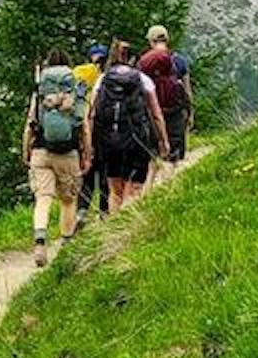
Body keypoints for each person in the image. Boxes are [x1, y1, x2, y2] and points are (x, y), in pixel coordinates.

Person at [22, 50, 91, 265]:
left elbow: (30, 124)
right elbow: (84, 126)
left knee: (43, 198)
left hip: (41, 151)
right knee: (68, 200)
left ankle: (40, 241)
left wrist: (26, 150)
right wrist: (86, 154)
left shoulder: (41, 92)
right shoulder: (74, 91)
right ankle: (66, 245)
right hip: (68, 153)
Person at [91, 40, 169, 211]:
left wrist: (90, 143)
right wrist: (163, 141)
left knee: (115, 191)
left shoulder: (103, 79)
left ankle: (112, 231)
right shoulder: (143, 80)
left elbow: (91, 113)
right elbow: (156, 115)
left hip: (110, 141)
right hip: (137, 141)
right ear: (135, 59)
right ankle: (124, 230)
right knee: (133, 190)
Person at [137, 22, 195, 179]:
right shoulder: (179, 61)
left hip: (151, 114)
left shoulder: (144, 62)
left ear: (150, 41)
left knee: (151, 157)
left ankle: (147, 195)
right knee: (172, 157)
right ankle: (166, 192)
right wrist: (190, 114)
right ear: (167, 40)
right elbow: (187, 91)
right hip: (174, 113)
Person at [74, 44, 110, 220]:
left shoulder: (79, 74)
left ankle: (82, 210)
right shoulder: (107, 76)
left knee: (87, 170)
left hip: (82, 127)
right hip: (103, 129)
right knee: (104, 171)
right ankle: (104, 211)